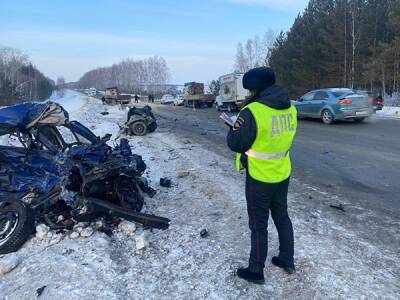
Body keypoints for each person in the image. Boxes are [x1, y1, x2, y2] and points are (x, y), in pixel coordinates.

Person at [226, 67, 297, 284]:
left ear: (255, 89)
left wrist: (233, 128)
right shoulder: (289, 108)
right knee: (282, 217)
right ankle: (286, 259)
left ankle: (256, 270)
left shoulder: (252, 111)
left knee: (258, 225)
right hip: (282, 172)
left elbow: (236, 143)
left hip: (259, 176)